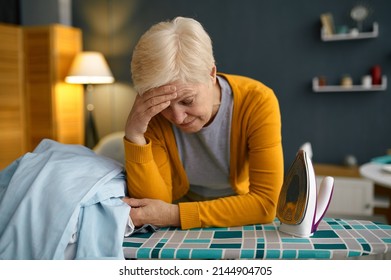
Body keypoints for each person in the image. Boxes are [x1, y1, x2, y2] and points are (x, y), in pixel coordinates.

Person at [122, 16, 284, 230]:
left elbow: (265, 204)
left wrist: (173, 214)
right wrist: (134, 135)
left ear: (211, 74)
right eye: (165, 106)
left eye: (187, 101)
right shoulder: (153, 113)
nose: (178, 117)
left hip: (239, 217)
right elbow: (153, 207)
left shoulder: (257, 101)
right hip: (178, 225)